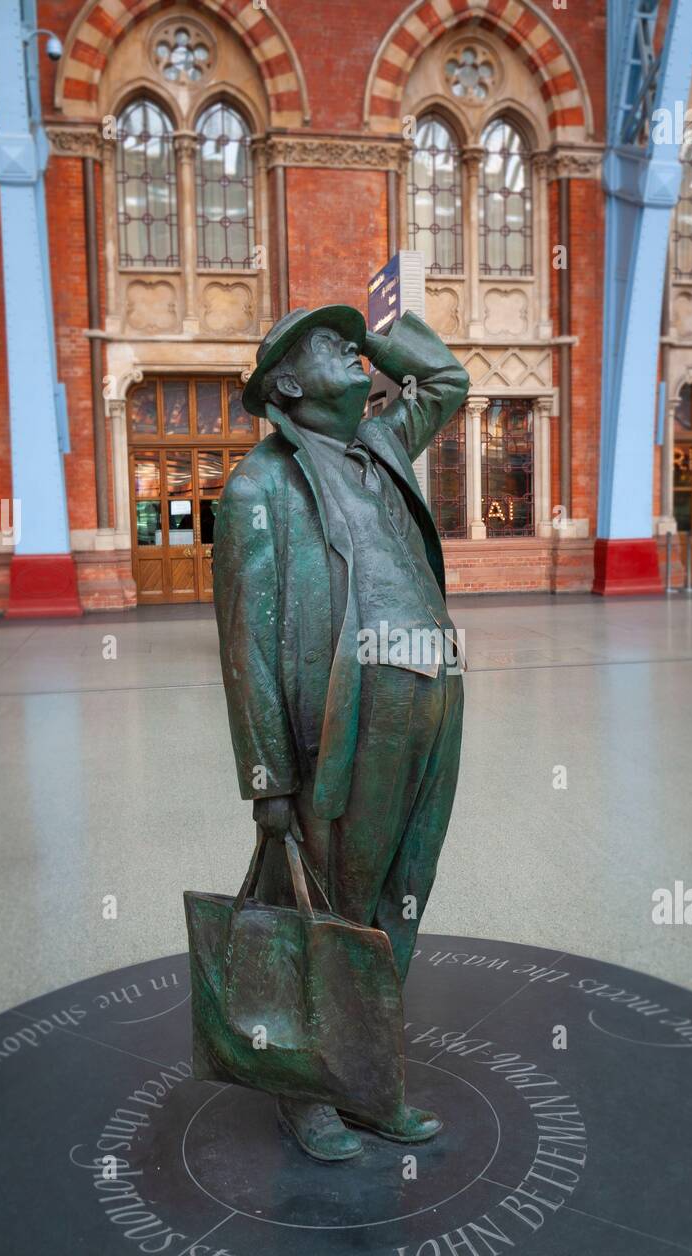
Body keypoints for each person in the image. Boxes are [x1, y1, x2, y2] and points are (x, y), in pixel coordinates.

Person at [212, 304, 469, 1161]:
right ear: (285, 384)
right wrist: (267, 780)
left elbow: (445, 379)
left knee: (402, 896)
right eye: (332, 345)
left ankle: (364, 1080)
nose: (356, 356)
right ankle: (304, 1091)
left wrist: (371, 336)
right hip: (342, 724)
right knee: (331, 914)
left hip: (431, 698)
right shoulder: (259, 488)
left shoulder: (384, 444)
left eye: (357, 345)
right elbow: (246, 641)